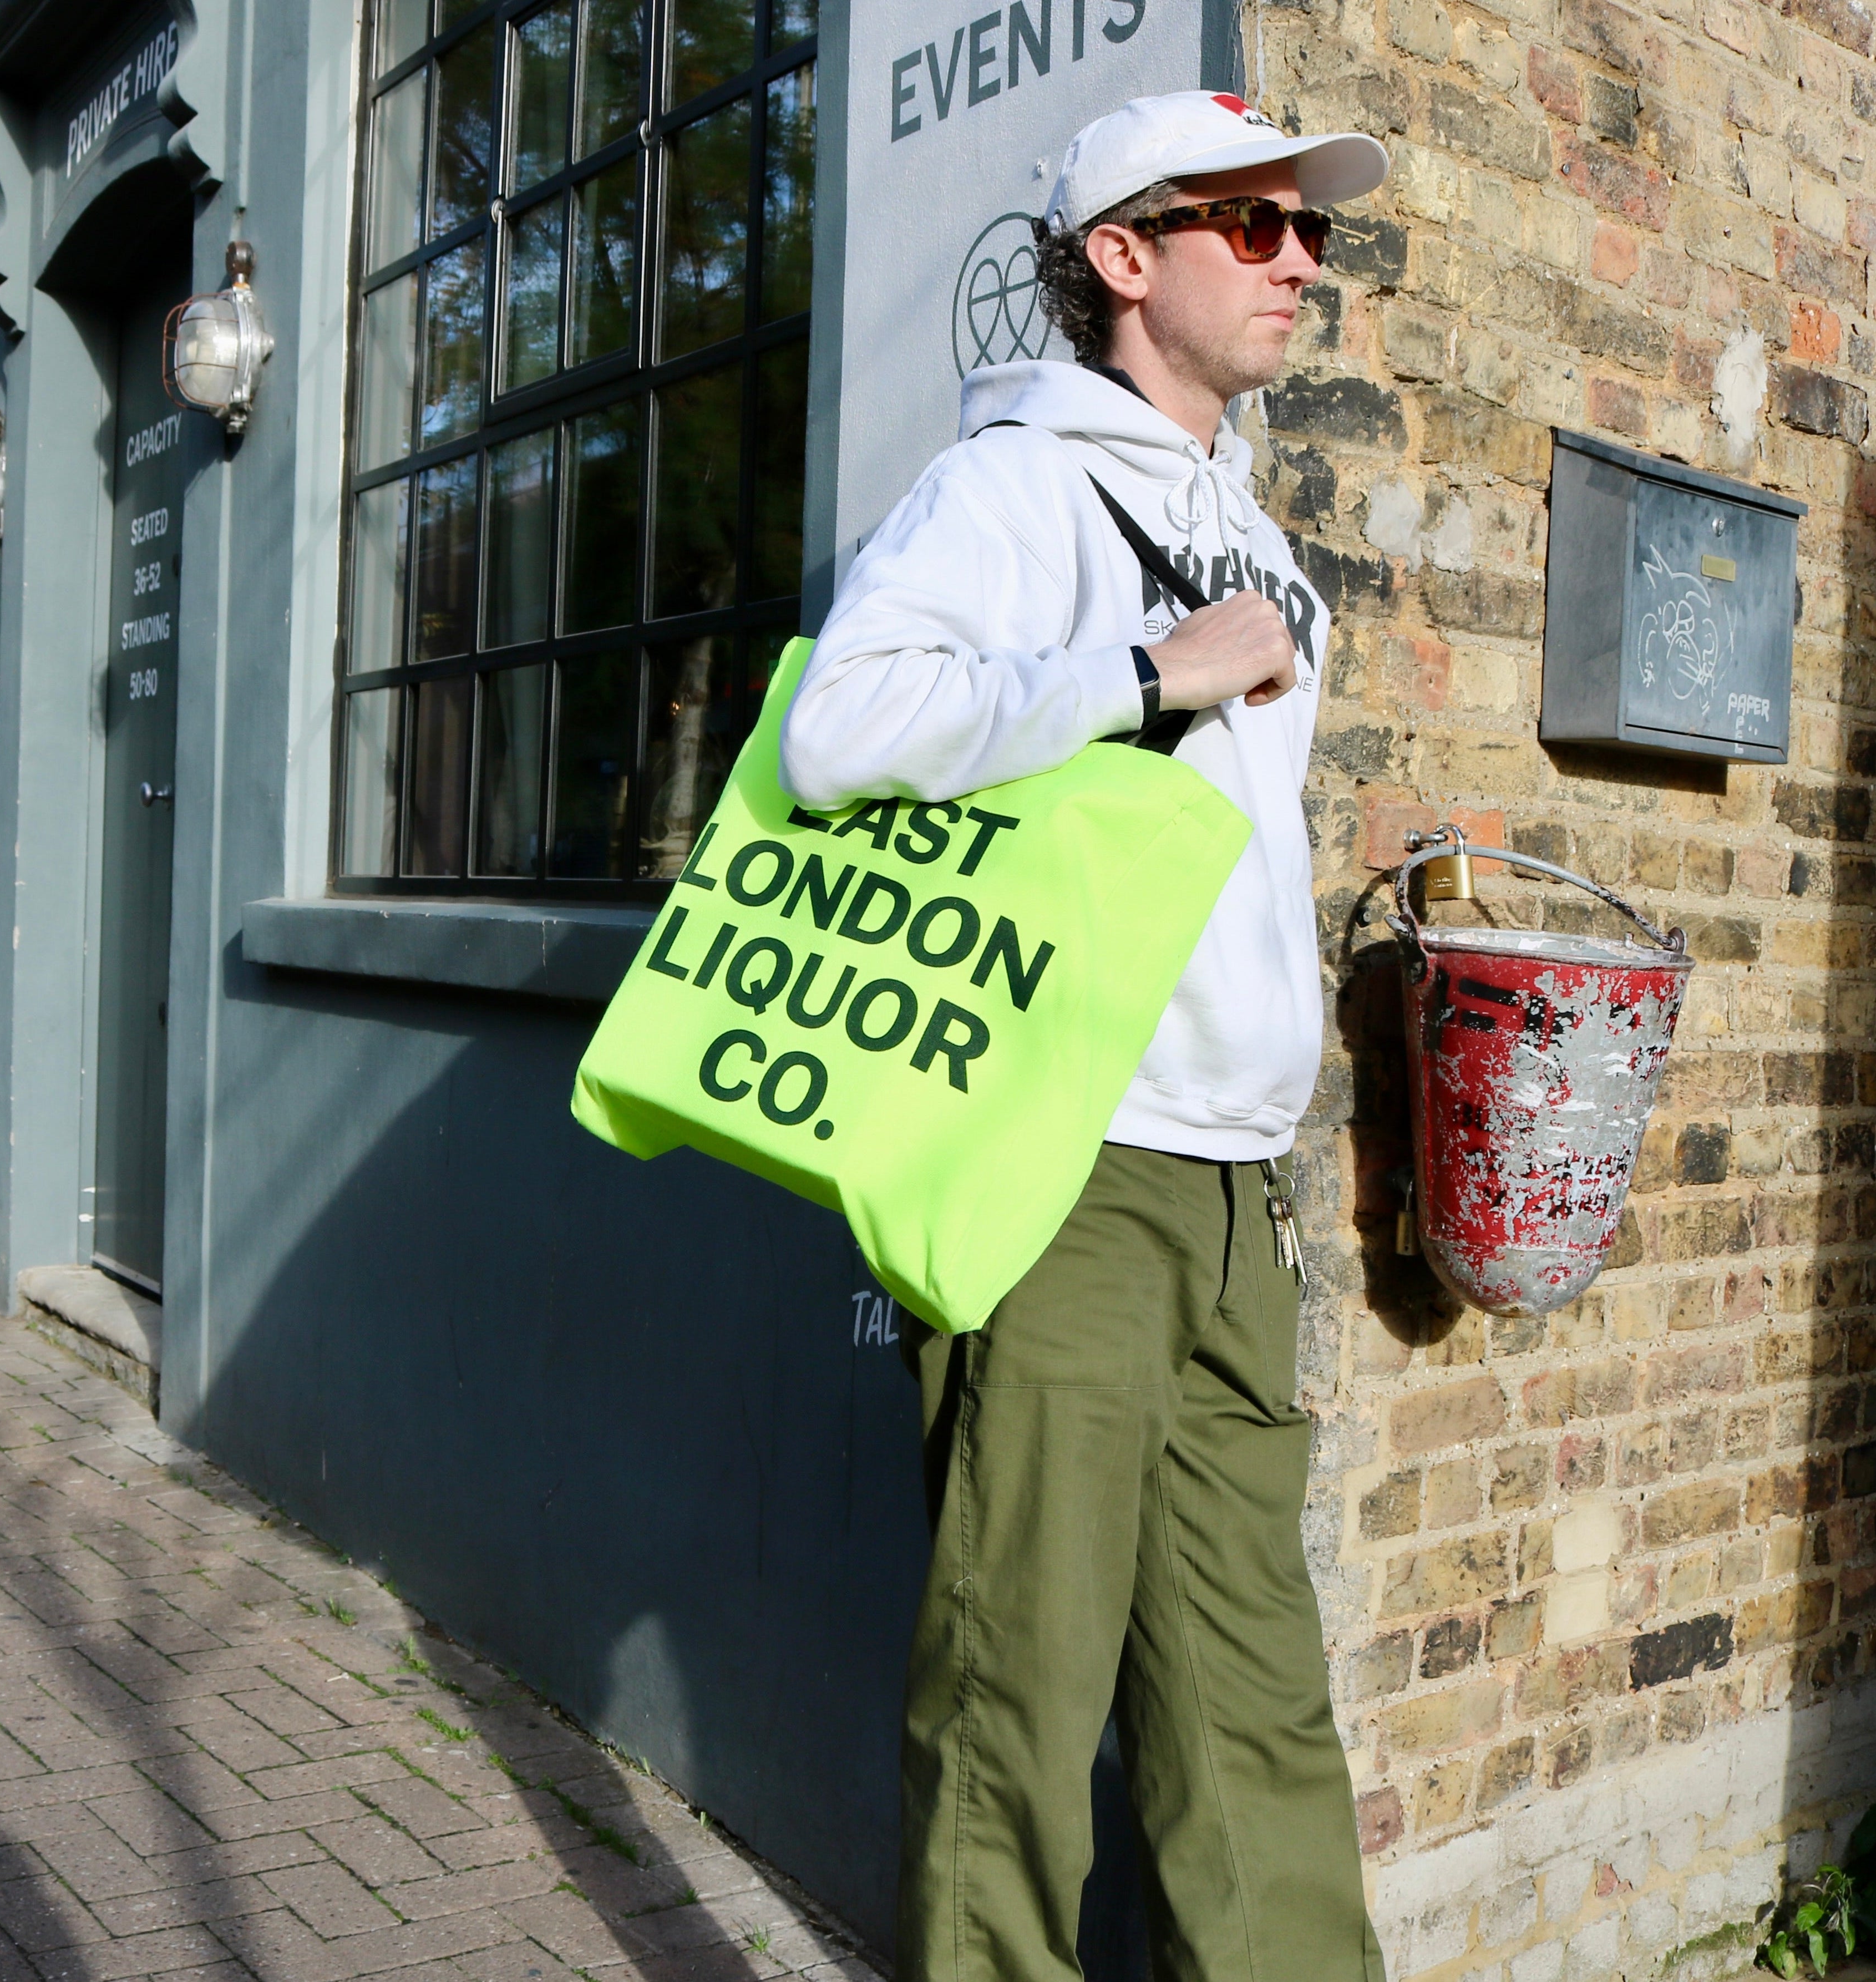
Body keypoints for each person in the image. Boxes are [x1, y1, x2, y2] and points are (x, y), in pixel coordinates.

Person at [781, 91, 1391, 1982]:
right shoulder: (1016, 489)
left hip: (1230, 1186)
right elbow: (840, 735)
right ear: (1124, 259)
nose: (1301, 258)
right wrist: (1146, 671)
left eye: (1311, 230)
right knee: (1017, 1704)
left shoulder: (1259, 539)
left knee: (1254, 1720)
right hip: (1066, 1163)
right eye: (1252, 223)